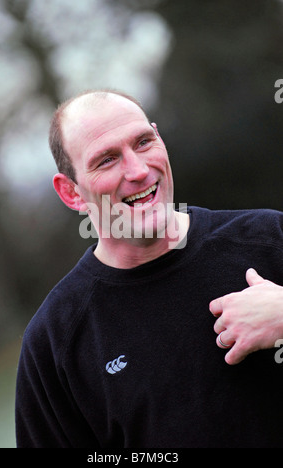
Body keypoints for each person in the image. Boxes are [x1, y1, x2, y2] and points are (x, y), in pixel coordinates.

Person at [15, 89, 283, 448]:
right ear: (71, 193)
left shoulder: (269, 238)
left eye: (144, 142)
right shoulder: (54, 342)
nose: (139, 171)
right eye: (107, 160)